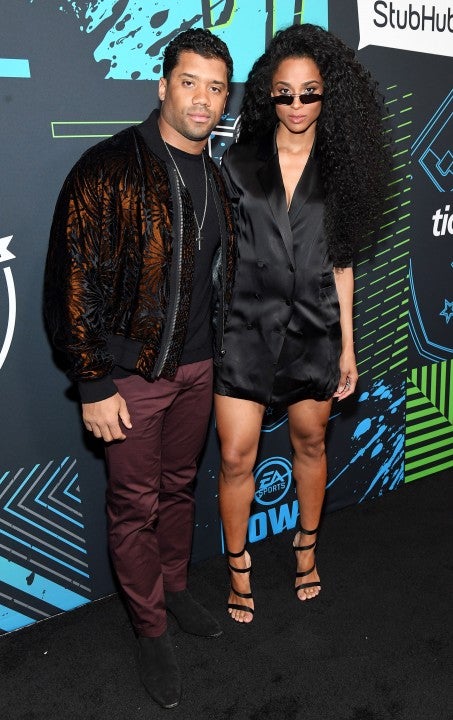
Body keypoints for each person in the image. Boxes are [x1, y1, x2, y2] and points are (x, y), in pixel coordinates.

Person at [44, 29, 235, 709]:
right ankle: (149, 629)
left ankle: (174, 587)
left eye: (216, 87)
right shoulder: (107, 167)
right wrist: (94, 382)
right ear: (162, 86)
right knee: (134, 507)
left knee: (180, 488)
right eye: (189, 82)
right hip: (130, 377)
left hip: (199, 368)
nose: (202, 99)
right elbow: (71, 283)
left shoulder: (218, 177)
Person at [214, 23, 391, 623]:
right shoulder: (237, 162)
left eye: (309, 93)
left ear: (327, 94)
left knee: (311, 444)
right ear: (269, 94)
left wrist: (348, 349)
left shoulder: (341, 171)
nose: (296, 105)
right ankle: (238, 567)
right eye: (284, 94)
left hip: (315, 329)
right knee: (235, 457)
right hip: (243, 330)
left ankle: (307, 548)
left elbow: (341, 265)